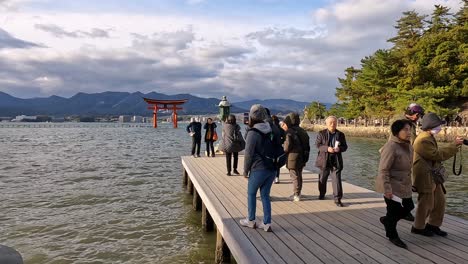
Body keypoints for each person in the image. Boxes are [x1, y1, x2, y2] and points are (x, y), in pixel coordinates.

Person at [411, 113, 463, 237]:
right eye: (438, 125)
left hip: (432, 175)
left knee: (439, 201)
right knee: (426, 203)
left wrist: (453, 146)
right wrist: (454, 145)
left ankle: (433, 225)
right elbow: (436, 155)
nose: (440, 128)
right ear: (431, 126)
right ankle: (418, 227)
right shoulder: (423, 140)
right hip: (425, 175)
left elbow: (436, 153)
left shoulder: (428, 136)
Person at [377, 119, 415, 249]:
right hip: (392, 185)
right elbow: (383, 169)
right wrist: (387, 189)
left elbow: (408, 168)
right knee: (393, 212)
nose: (409, 132)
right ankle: (392, 235)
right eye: (405, 129)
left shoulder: (408, 146)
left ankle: (387, 221)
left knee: (409, 206)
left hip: (405, 184)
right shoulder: (391, 146)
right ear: (397, 131)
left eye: (410, 129)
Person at [240, 104, 277, 232]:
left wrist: (245, 171)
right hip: (272, 168)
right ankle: (266, 223)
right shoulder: (271, 129)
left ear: (251, 117)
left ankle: (251, 220)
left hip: (258, 168)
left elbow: (248, 154)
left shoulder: (253, 133)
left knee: (251, 194)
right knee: (265, 195)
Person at [315, 116, 348, 207]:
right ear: (327, 124)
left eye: (334, 123)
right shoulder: (321, 133)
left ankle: (337, 199)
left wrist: (339, 149)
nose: (333, 124)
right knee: (322, 178)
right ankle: (322, 194)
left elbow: (345, 147)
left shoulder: (341, 134)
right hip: (324, 159)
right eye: (331, 123)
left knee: (336, 179)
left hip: (336, 159)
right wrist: (327, 148)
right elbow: (318, 145)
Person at [281, 113, 310, 201]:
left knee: (294, 176)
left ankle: (296, 194)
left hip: (292, 157)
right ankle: (298, 192)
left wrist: (283, 148)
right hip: (303, 156)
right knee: (299, 174)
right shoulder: (303, 131)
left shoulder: (289, 131)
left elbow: (287, 146)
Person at [271, 114, 285, 183]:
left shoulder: (270, 129)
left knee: (272, 163)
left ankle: (272, 177)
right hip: (279, 148)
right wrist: (280, 141)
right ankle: (277, 177)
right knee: (277, 163)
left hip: (271, 148)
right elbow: (285, 138)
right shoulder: (281, 129)